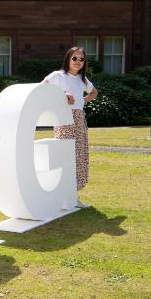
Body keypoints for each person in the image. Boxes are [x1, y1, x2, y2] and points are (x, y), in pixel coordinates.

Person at [42, 47, 98, 207]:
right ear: (68, 59)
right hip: (63, 119)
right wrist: (62, 96)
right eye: (75, 58)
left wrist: (82, 101)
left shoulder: (83, 80)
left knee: (79, 156)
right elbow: (41, 88)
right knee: (64, 156)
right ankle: (59, 195)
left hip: (79, 118)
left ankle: (73, 196)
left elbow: (94, 93)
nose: (78, 62)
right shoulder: (57, 76)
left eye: (81, 59)